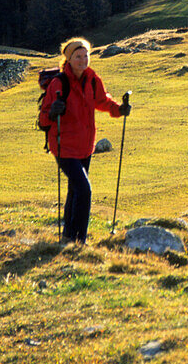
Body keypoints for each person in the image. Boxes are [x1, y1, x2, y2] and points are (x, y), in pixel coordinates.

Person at [39, 37, 130, 244]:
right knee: (83, 189)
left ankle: (69, 236)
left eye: (86, 55)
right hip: (63, 146)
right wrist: (53, 113)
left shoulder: (91, 79)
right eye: (78, 56)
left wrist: (119, 110)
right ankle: (79, 239)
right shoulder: (58, 83)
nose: (83, 60)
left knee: (75, 190)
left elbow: (102, 101)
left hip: (85, 146)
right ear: (69, 59)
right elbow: (43, 119)